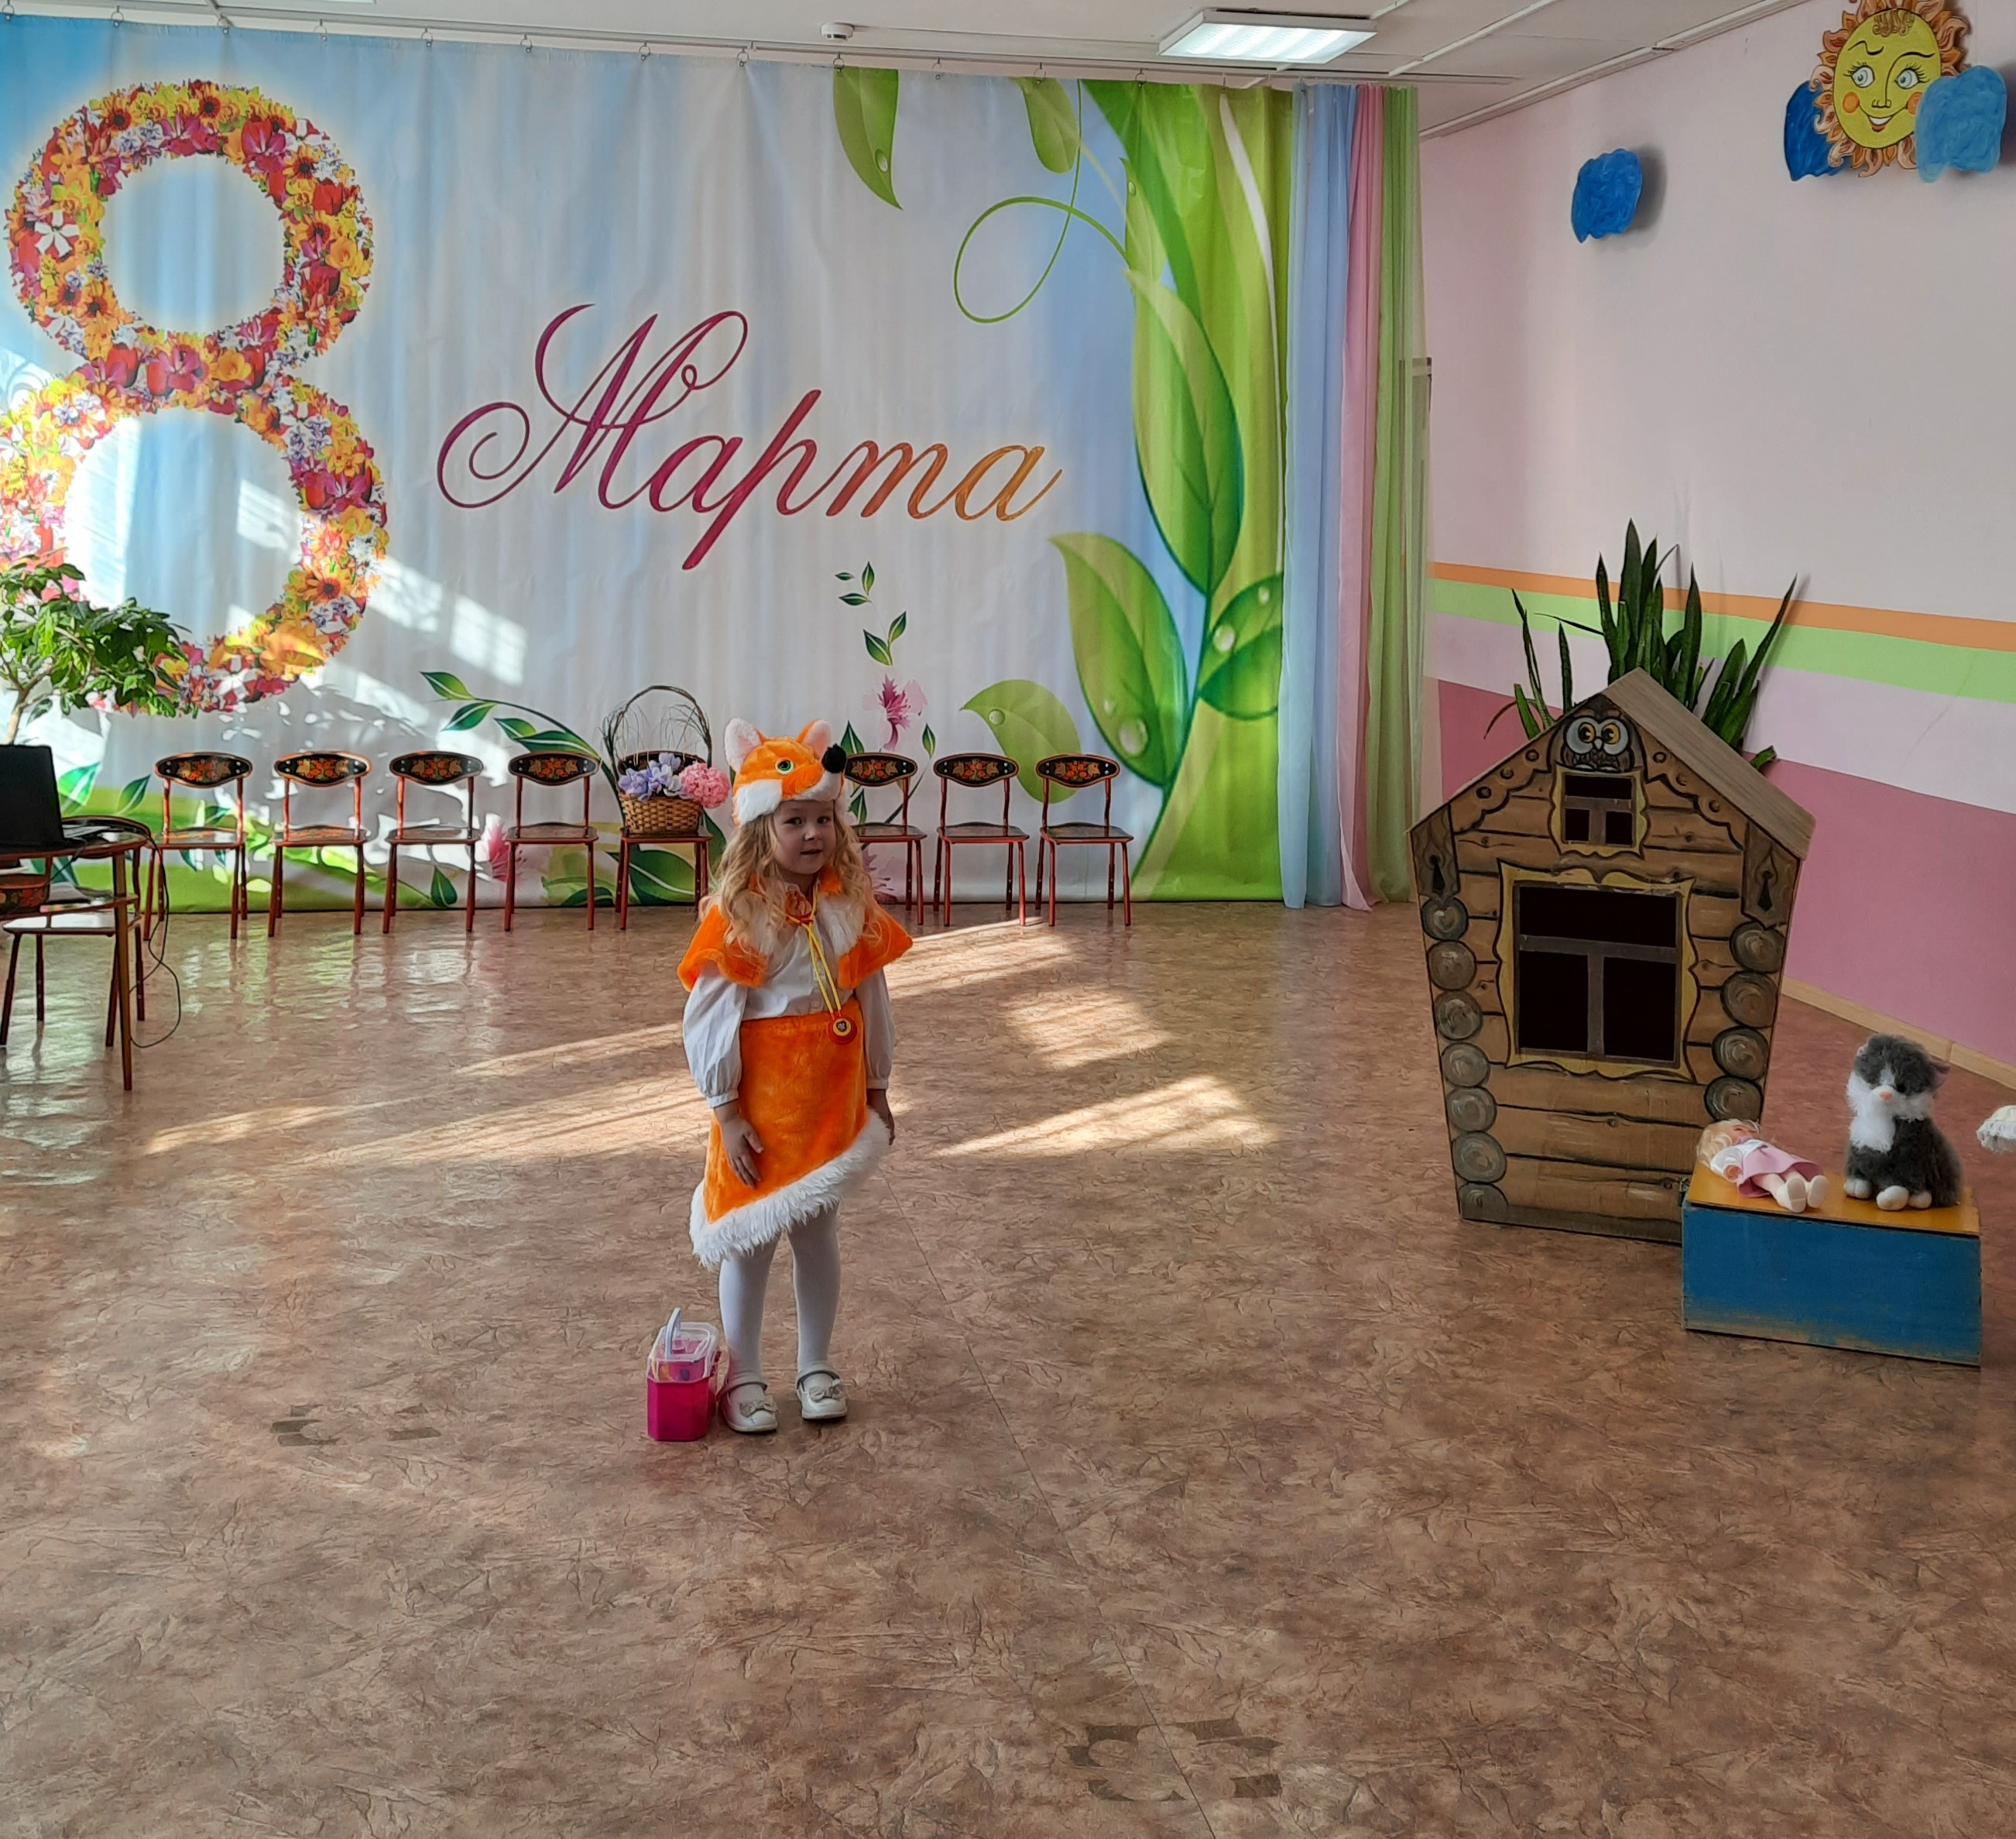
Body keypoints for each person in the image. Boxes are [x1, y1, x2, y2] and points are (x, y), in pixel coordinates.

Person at [678, 719, 911, 1433]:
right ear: (761, 828)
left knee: (817, 1234)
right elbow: (710, 1017)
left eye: (823, 819)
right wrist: (726, 1109)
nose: (812, 833)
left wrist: (876, 1086)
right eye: (794, 820)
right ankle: (744, 1374)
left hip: (825, 1105)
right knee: (750, 1242)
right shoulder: (741, 916)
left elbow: (871, 999)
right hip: (760, 1110)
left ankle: (815, 1364)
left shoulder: (848, 909)